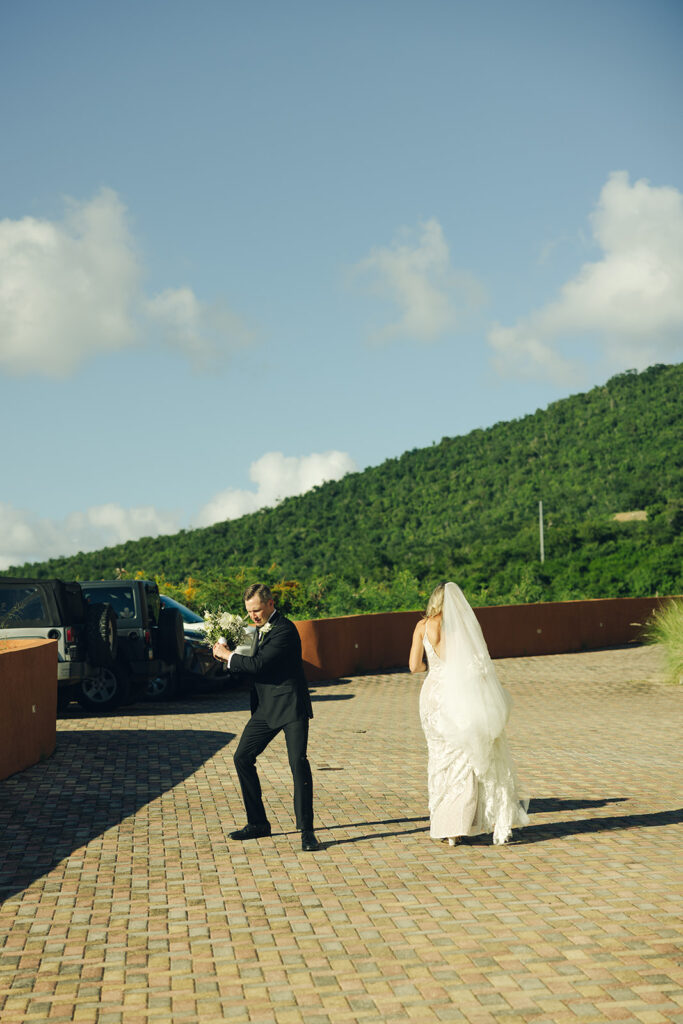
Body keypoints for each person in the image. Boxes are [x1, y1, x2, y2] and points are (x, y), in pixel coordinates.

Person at [409, 582, 529, 846]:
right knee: (463, 758)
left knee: (439, 757)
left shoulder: (422, 627)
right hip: (456, 695)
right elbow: (470, 666)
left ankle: (443, 825)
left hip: (431, 696)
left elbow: (415, 667)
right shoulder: (458, 629)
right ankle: (458, 827)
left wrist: (433, 663)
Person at [213, 583, 319, 852]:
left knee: (298, 764)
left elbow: (258, 665)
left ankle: (307, 832)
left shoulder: (284, 630)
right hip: (266, 708)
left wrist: (227, 656)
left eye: (257, 610)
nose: (254, 616)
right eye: (249, 612)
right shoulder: (256, 630)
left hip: (291, 705)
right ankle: (258, 823)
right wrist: (225, 647)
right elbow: (247, 660)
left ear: (271, 604)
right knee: (242, 757)